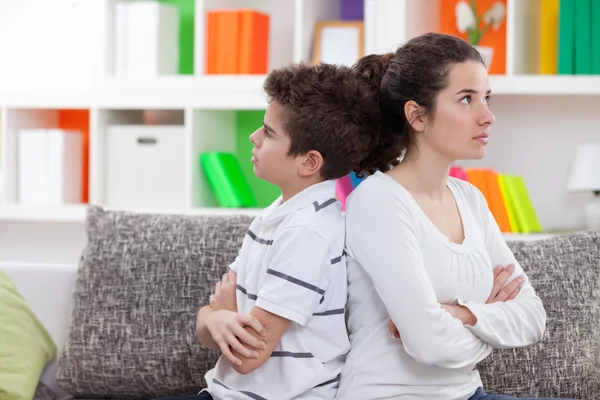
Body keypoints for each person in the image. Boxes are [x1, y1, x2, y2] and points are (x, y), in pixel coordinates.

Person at [337, 32, 571, 400]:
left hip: (466, 393)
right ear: (416, 115)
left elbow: (532, 317)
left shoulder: (470, 199)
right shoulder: (379, 201)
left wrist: (463, 315)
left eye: (486, 98)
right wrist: (490, 321)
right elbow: (429, 346)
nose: (488, 116)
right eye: (466, 99)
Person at [153, 62, 379, 400]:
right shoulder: (277, 216)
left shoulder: (308, 233)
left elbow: (247, 355)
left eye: (269, 132)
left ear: (309, 162)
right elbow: (207, 323)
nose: (254, 137)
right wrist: (219, 320)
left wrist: (223, 317)